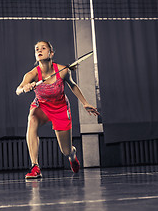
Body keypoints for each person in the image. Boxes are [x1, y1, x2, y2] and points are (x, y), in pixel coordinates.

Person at [16, 41, 100, 179]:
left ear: (51, 53)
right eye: (37, 49)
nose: (39, 50)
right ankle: (35, 166)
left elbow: (72, 85)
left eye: (43, 48)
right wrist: (24, 88)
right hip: (41, 107)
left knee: (66, 150)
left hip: (60, 109)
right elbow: (18, 89)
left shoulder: (63, 70)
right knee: (32, 118)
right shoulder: (32, 75)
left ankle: (72, 156)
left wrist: (85, 103)